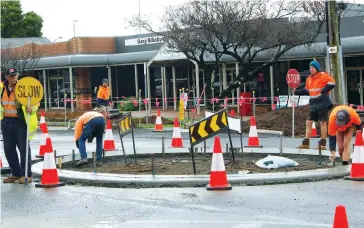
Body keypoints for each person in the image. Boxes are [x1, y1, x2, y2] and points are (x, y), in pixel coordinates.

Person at [0, 68, 39, 184]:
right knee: (8, 149)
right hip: (6, 121)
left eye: (15, 75)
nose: (14, 78)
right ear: (6, 77)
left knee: (23, 148)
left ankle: (26, 174)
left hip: (20, 121)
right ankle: (16, 173)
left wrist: (32, 109)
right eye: (11, 76)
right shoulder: (2, 88)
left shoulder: (23, 87)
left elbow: (35, 101)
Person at [294, 60, 336, 150]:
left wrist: (324, 90)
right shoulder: (309, 79)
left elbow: (332, 83)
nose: (311, 69)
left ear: (317, 68)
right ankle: (306, 143)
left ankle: (323, 145)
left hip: (322, 102)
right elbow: (307, 90)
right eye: (310, 68)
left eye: (313, 67)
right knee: (308, 122)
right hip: (313, 103)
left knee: (322, 123)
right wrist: (297, 91)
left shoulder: (323, 75)